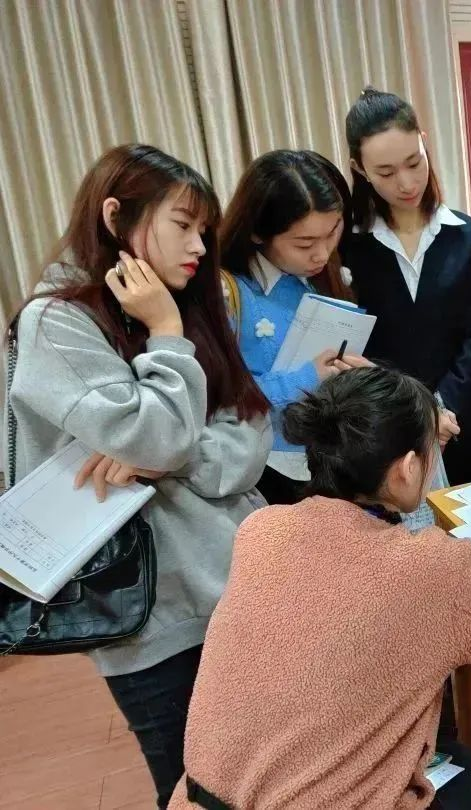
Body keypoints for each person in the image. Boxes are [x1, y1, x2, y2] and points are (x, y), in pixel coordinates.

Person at [171, 366, 471, 809]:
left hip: (200, 797)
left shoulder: (262, 530)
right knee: (464, 780)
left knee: (459, 762)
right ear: (407, 469)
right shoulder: (422, 569)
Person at [5, 144, 272, 807]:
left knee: (270, 774)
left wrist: (168, 455)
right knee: (195, 791)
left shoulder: (192, 303)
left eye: (204, 229)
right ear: (115, 216)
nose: (199, 246)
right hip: (151, 617)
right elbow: (161, 434)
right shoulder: (56, 322)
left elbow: (250, 437)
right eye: (183, 225)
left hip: (244, 587)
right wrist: (166, 336)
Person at [342, 87, 471, 486]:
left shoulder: (468, 236)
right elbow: (355, 348)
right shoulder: (347, 244)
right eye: (386, 173)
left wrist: (441, 408)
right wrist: (416, 414)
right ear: (360, 169)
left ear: (424, 142)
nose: (407, 183)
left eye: (414, 162)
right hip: (382, 431)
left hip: (459, 423)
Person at [219, 149, 368, 505]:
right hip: (264, 471)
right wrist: (307, 377)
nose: (322, 253)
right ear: (258, 233)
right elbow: (219, 403)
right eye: (304, 243)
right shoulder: (227, 293)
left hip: (324, 460)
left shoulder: (318, 277)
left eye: (332, 232)